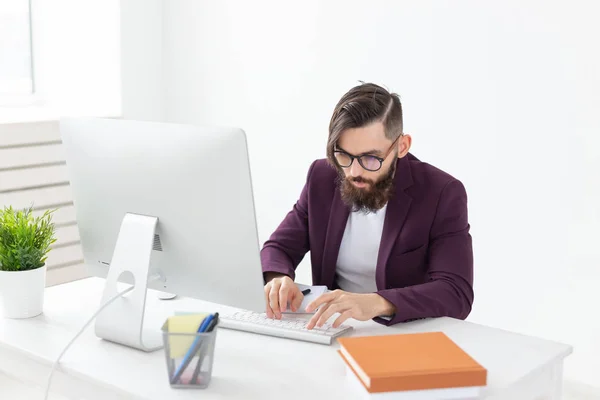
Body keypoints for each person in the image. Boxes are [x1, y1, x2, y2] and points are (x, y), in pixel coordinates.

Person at [260, 82, 473, 330]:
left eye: (370, 158)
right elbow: (279, 247)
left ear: (402, 146)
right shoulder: (322, 176)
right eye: (343, 155)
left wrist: (375, 302)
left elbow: (456, 292)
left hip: (406, 333)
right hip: (332, 329)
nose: (353, 171)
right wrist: (278, 278)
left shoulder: (442, 192)